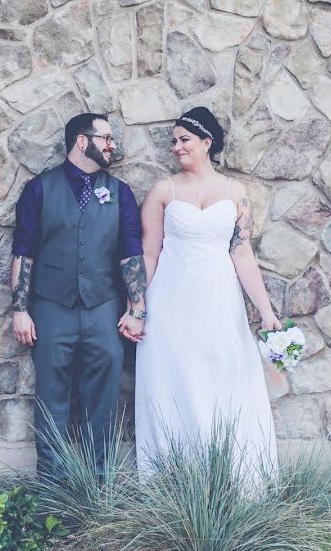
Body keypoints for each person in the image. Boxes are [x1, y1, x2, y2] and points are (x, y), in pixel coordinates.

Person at [134, 106, 281, 478]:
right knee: (175, 384)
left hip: (218, 301)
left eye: (185, 140)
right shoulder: (163, 191)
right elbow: (150, 253)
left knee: (224, 383)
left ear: (206, 142)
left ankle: (230, 479)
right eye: (174, 142)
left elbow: (242, 253)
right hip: (171, 302)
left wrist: (265, 312)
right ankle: (175, 481)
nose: (177, 148)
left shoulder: (235, 192)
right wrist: (137, 307)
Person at [11, 113, 147, 479]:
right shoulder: (40, 189)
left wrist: (137, 308)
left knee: (102, 399)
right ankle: (53, 490)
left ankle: (98, 485)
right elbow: (24, 253)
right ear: (82, 141)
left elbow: (131, 254)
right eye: (105, 137)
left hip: (104, 308)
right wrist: (20, 309)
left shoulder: (120, 193)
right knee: (51, 399)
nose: (112, 144)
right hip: (51, 308)